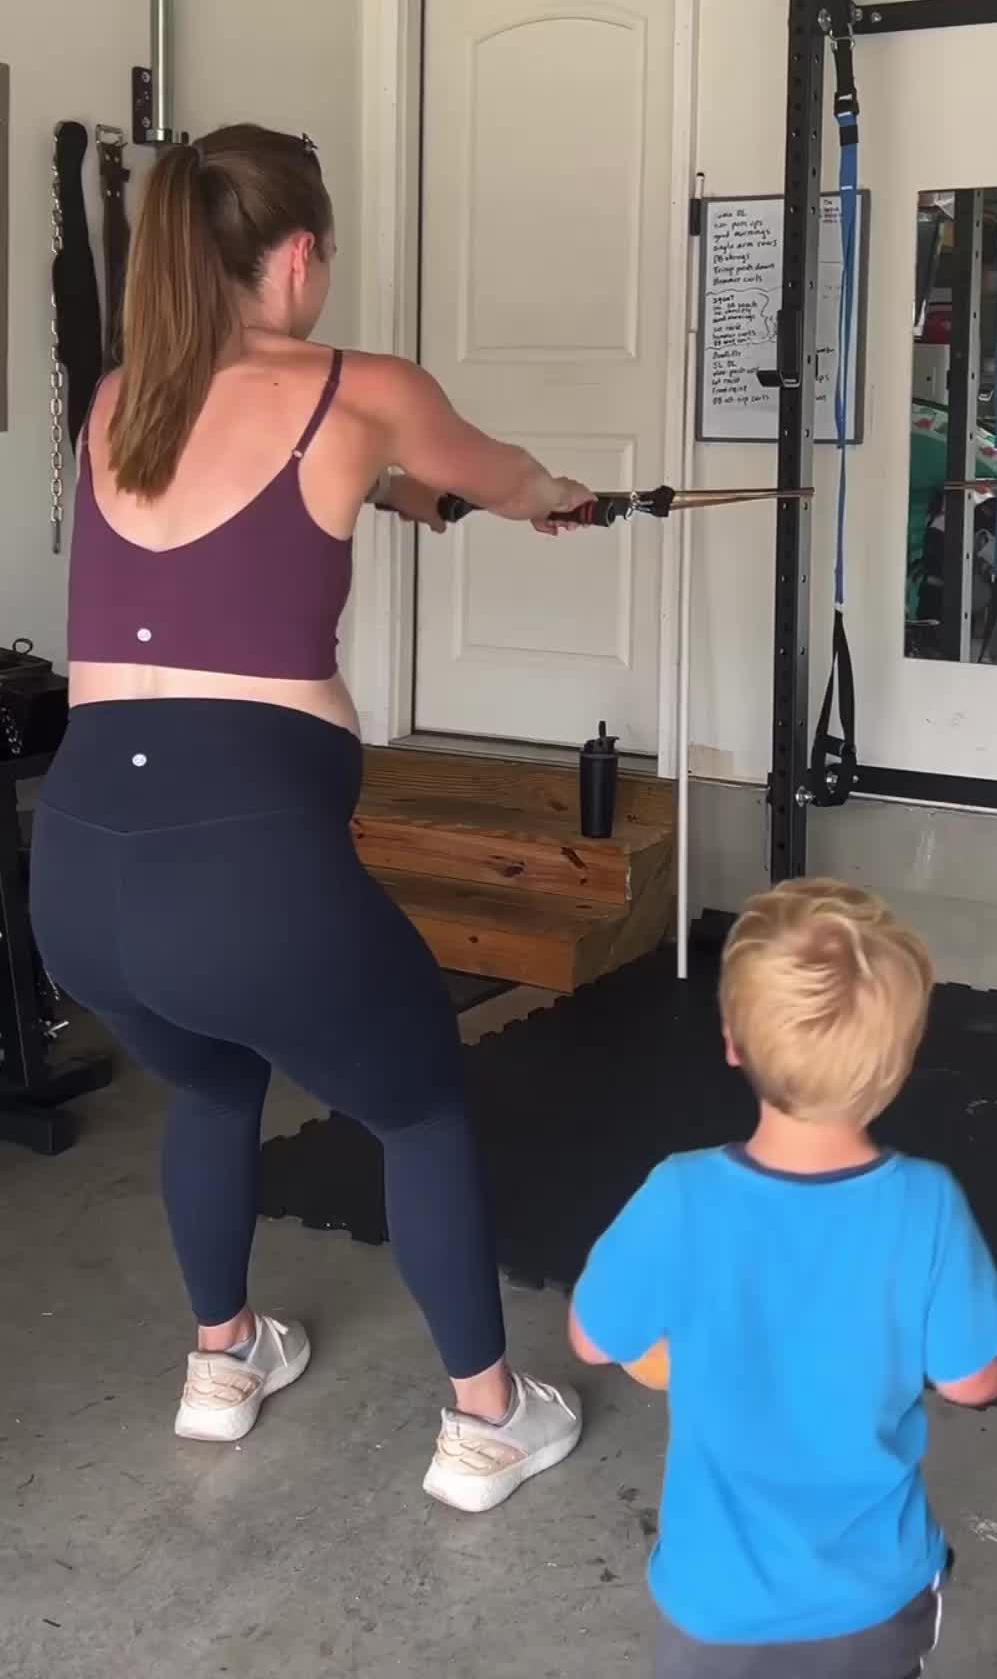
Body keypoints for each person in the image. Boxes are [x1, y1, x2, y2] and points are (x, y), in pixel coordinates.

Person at [30, 124, 591, 1512]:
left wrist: (396, 495)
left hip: (79, 880)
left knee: (217, 1080)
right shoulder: (362, 387)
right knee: (418, 1109)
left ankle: (222, 1366)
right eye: (324, 255)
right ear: (297, 253)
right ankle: (487, 1420)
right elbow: (502, 472)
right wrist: (553, 500)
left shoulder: (118, 401)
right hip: (244, 879)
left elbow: (263, 503)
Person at [568, 878, 997, 1677]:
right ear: (901, 1062)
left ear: (732, 1040)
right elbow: (973, 1382)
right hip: (870, 1605)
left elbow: (589, 1337)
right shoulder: (926, 1206)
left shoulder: (679, 1195)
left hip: (711, 1608)